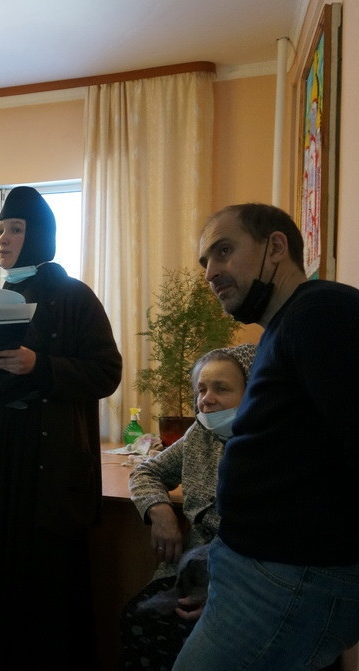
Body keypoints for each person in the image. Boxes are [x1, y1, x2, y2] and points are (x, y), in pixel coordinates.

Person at [0, 186, 122, 669]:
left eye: (15, 229)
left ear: (38, 234)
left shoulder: (76, 296)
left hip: (47, 470)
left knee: (45, 593)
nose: (3, 238)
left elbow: (107, 373)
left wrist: (39, 365)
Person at [173, 203, 359, 669]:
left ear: (275, 247)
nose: (211, 273)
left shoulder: (320, 312)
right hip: (263, 574)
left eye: (224, 251)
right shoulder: (288, 324)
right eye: (205, 262)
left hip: (288, 579)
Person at [120, 344, 255, 670]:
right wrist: (160, 510)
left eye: (221, 388)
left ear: (254, 392)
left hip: (247, 584)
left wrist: (222, 595)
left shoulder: (272, 445)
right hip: (191, 572)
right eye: (201, 389)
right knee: (137, 617)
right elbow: (146, 471)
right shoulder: (200, 435)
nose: (206, 399)